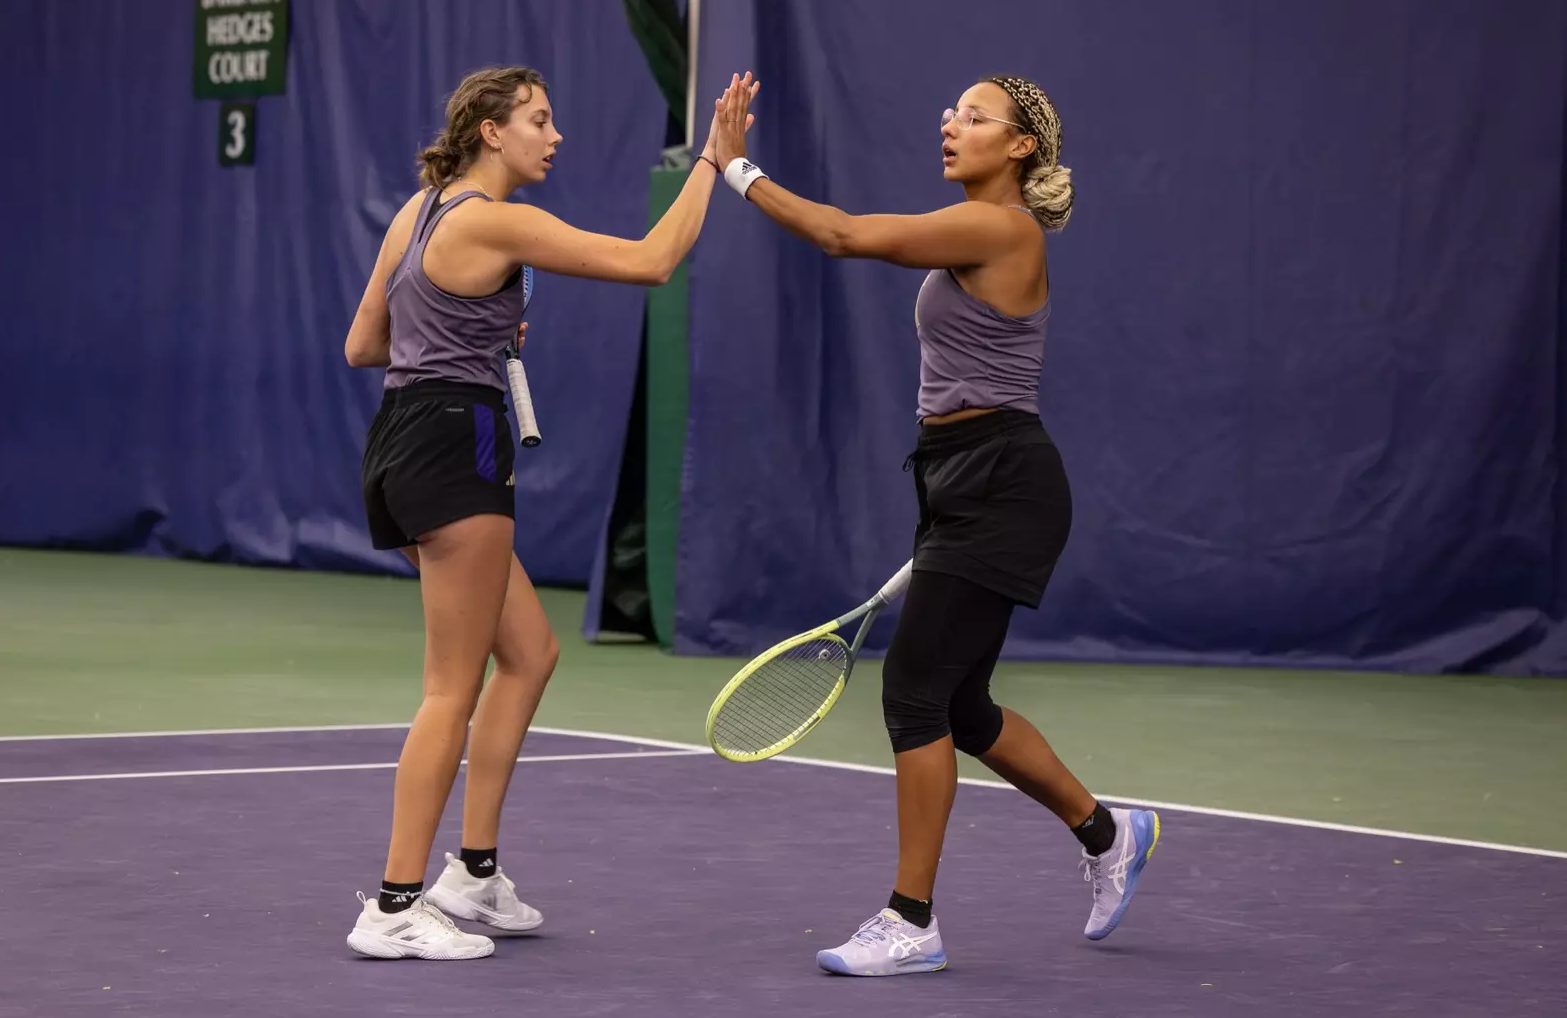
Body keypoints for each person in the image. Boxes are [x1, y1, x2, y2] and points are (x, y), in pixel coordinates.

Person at [708, 74, 1159, 976]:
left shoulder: (1001, 228)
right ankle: (1111, 835)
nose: (951, 126)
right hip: (960, 478)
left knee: (914, 693)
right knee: (960, 704)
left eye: (975, 117)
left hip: (1003, 482)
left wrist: (735, 167)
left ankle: (911, 921)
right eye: (949, 113)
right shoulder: (977, 227)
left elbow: (841, 235)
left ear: (1021, 145)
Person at [341, 65, 756, 959]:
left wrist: (469, 325)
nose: (553, 133)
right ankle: (393, 905)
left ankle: (474, 877)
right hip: (458, 442)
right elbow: (652, 261)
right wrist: (715, 161)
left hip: (401, 441)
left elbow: (364, 344)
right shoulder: (502, 221)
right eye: (538, 118)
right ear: (491, 132)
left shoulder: (417, 214)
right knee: (451, 688)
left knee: (528, 654)